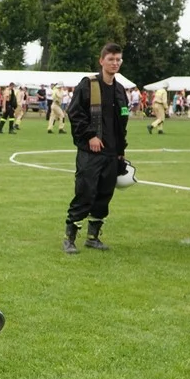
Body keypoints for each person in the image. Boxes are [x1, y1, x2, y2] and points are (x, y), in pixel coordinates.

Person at [62, 43, 129, 254]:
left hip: (112, 152)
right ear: (101, 61)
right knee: (85, 191)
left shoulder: (120, 90)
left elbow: (122, 123)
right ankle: (69, 238)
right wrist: (90, 135)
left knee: (104, 195)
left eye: (118, 59)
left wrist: (121, 150)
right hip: (90, 152)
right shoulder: (88, 84)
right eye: (111, 59)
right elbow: (74, 113)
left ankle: (93, 237)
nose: (115, 63)